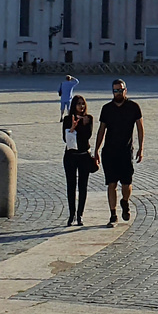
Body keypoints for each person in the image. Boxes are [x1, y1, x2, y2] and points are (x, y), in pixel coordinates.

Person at [93, 79, 144, 227]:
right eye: (115, 90)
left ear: (125, 90)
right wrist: (96, 149)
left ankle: (125, 201)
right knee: (111, 183)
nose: (118, 93)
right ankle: (113, 214)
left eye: (120, 90)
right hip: (109, 152)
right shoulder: (106, 108)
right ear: (112, 91)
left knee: (127, 183)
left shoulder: (134, 107)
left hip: (126, 151)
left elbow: (140, 128)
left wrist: (141, 148)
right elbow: (101, 130)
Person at [62, 94, 94, 226]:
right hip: (70, 156)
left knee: (83, 186)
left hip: (84, 156)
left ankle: (80, 214)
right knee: (71, 186)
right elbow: (66, 138)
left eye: (83, 104)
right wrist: (73, 127)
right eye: (78, 103)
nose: (81, 106)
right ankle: (71, 214)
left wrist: (83, 125)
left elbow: (87, 136)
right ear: (74, 105)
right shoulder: (68, 119)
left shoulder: (89, 118)